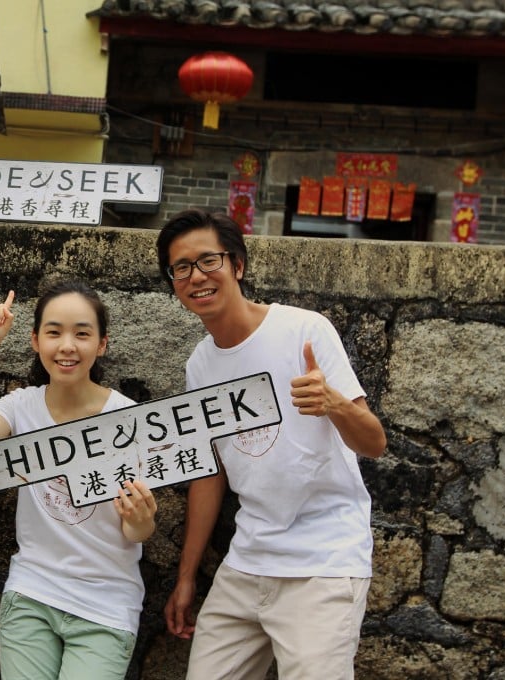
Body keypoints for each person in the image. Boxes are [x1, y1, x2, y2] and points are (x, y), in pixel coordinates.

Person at [157, 209, 387, 679]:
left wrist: (334, 404)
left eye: (208, 261)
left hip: (323, 562)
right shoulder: (200, 365)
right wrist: (186, 577)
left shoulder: (304, 330)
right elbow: (211, 473)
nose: (196, 276)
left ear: (237, 265)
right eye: (181, 267)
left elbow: (374, 443)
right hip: (247, 560)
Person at [0, 281, 158, 680]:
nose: (67, 346)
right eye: (54, 332)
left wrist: (142, 519)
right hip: (32, 593)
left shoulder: (127, 419)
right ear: (35, 340)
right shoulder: (20, 406)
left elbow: (137, 532)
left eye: (82, 333)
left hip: (106, 605)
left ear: (102, 344)